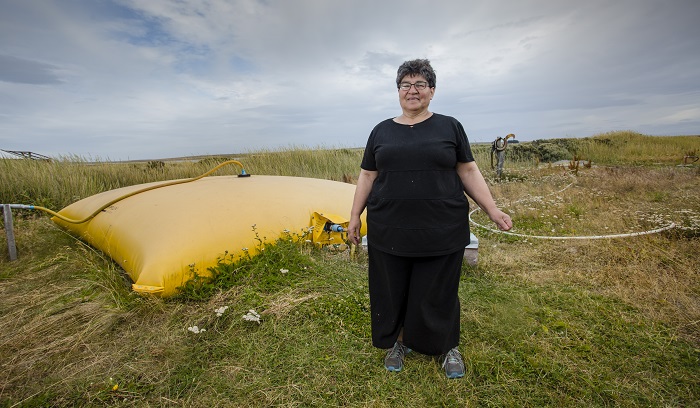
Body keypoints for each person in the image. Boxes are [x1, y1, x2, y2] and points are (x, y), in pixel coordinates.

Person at [348, 59, 512, 379]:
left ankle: (447, 345)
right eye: (405, 85)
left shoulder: (449, 126)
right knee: (393, 289)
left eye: (420, 84)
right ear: (398, 91)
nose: (412, 91)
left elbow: (467, 170)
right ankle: (400, 341)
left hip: (442, 227)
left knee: (439, 291)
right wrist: (355, 215)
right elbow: (368, 175)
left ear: (432, 91)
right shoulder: (380, 131)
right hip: (389, 229)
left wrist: (492, 209)